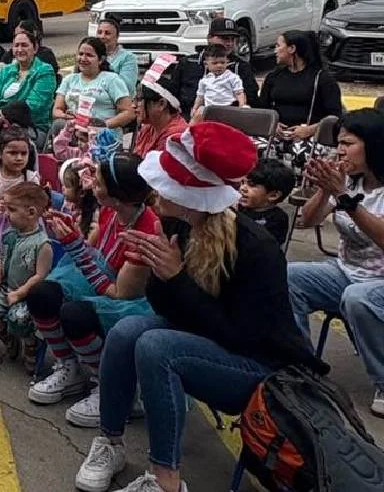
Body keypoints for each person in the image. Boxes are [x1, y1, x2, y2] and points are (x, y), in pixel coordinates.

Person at [74, 122, 324, 492]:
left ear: (189, 195)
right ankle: (110, 443)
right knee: (128, 331)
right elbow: (170, 309)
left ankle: (166, 480)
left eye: (163, 185)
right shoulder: (182, 224)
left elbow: (241, 335)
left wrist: (176, 278)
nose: (155, 191)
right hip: (213, 340)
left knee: (157, 347)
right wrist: (159, 275)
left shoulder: (255, 247)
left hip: (260, 366)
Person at [29, 149, 157, 428]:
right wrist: (73, 236)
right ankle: (70, 368)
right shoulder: (111, 210)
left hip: (131, 301)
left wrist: (75, 245)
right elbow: (97, 255)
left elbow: (118, 293)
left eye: (97, 183)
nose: (90, 185)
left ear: (117, 194)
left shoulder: (146, 230)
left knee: (76, 315)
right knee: (41, 295)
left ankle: (113, 386)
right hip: (103, 278)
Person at [287, 108, 384, 418]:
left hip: (377, 282)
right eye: (339, 143)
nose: (341, 150)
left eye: (349, 143)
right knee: (287, 276)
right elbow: (306, 221)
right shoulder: (348, 181)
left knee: (357, 298)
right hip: (345, 271)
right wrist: (325, 189)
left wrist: (343, 196)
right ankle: (301, 366)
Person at [0, 182, 53, 372]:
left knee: (18, 317)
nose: (6, 214)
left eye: (11, 209)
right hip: (5, 289)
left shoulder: (43, 244)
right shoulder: (9, 235)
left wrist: (19, 293)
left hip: (26, 295)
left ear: (31, 212)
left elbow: (40, 276)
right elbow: (0, 258)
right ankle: (7, 337)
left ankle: (29, 344)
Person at [260, 30, 343, 157]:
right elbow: (262, 108)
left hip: (310, 135)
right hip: (277, 134)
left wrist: (310, 130)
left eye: (278, 46)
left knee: (301, 153)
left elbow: (335, 116)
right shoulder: (273, 77)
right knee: (256, 148)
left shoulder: (322, 78)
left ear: (292, 48)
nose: (275, 50)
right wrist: (272, 124)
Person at [174, 18, 261, 116]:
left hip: (227, 118)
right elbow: (173, 94)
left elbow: (252, 99)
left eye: (233, 39)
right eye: (224, 38)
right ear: (209, 38)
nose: (229, 43)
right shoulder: (188, 63)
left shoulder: (241, 67)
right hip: (189, 118)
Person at [52, 37, 135, 135]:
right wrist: (66, 117)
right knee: (59, 124)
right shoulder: (69, 80)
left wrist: (102, 125)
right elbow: (56, 110)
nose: (83, 58)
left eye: (89, 55)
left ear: (101, 59)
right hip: (73, 131)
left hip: (102, 135)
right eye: (81, 54)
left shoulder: (111, 80)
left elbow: (128, 113)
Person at [0, 31, 57, 141]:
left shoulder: (44, 71)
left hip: (31, 127)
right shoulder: (6, 70)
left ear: (35, 48)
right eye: (16, 45)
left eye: (24, 45)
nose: (19, 49)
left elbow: (32, 106)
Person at [0, 125, 40, 251]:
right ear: (0, 153)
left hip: (23, 225)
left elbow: (35, 209)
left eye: (23, 153)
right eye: (13, 153)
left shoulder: (30, 178)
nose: (19, 158)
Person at [133, 62, 188, 157]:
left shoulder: (175, 136)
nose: (133, 105)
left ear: (161, 104)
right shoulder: (148, 127)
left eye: (139, 100)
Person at [239, 158, 295, 247]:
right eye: (242, 182)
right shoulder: (237, 208)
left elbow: (265, 247)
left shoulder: (277, 219)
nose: (242, 188)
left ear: (273, 195)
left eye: (251, 185)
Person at [190, 44, 246, 122]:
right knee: (197, 116)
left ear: (227, 62)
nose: (219, 66)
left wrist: (242, 105)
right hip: (209, 109)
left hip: (228, 108)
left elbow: (239, 93)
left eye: (222, 62)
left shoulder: (233, 77)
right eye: (215, 63)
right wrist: (195, 108)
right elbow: (200, 97)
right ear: (206, 64)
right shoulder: (204, 80)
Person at [95, 18, 138, 94]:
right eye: (99, 32)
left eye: (107, 33)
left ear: (117, 36)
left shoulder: (128, 58)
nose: (102, 36)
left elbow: (127, 87)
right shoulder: (90, 55)